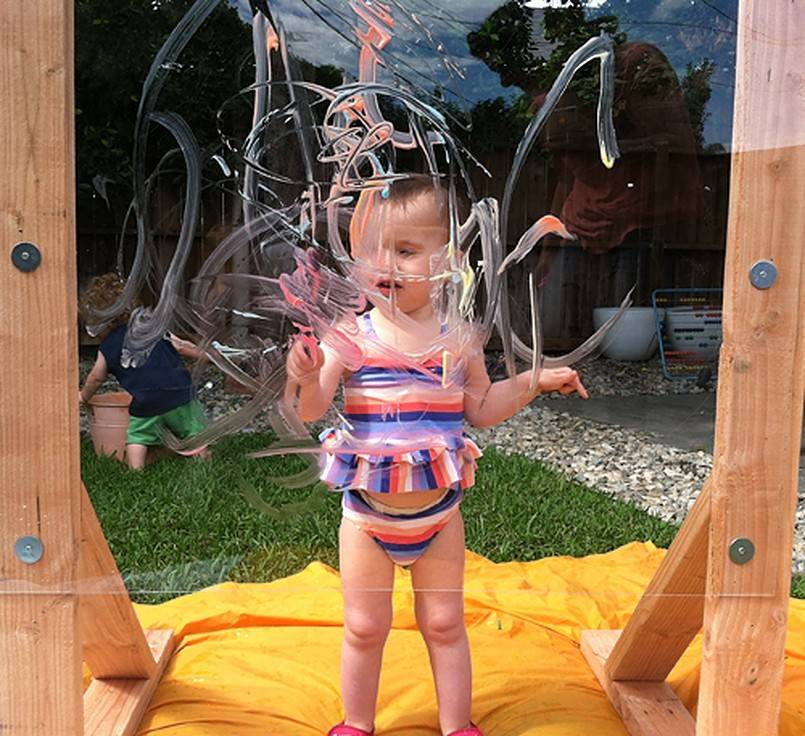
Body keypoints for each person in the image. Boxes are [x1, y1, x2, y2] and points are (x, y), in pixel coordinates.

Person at [285, 179, 588, 736]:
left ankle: (456, 725)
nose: (386, 265)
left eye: (405, 250)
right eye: (372, 251)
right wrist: (304, 376)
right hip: (368, 519)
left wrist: (534, 380)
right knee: (363, 627)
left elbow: (481, 407)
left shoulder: (459, 340)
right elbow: (311, 409)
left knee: (445, 624)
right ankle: (357, 723)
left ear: (447, 261)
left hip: (440, 518)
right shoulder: (350, 336)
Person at [78, 272, 209, 470]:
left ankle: (136, 469)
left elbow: (96, 377)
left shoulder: (107, 346)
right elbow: (181, 346)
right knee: (194, 431)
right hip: (180, 393)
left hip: (147, 402)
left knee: (137, 437)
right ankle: (204, 462)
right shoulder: (151, 327)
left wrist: (83, 396)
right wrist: (208, 356)